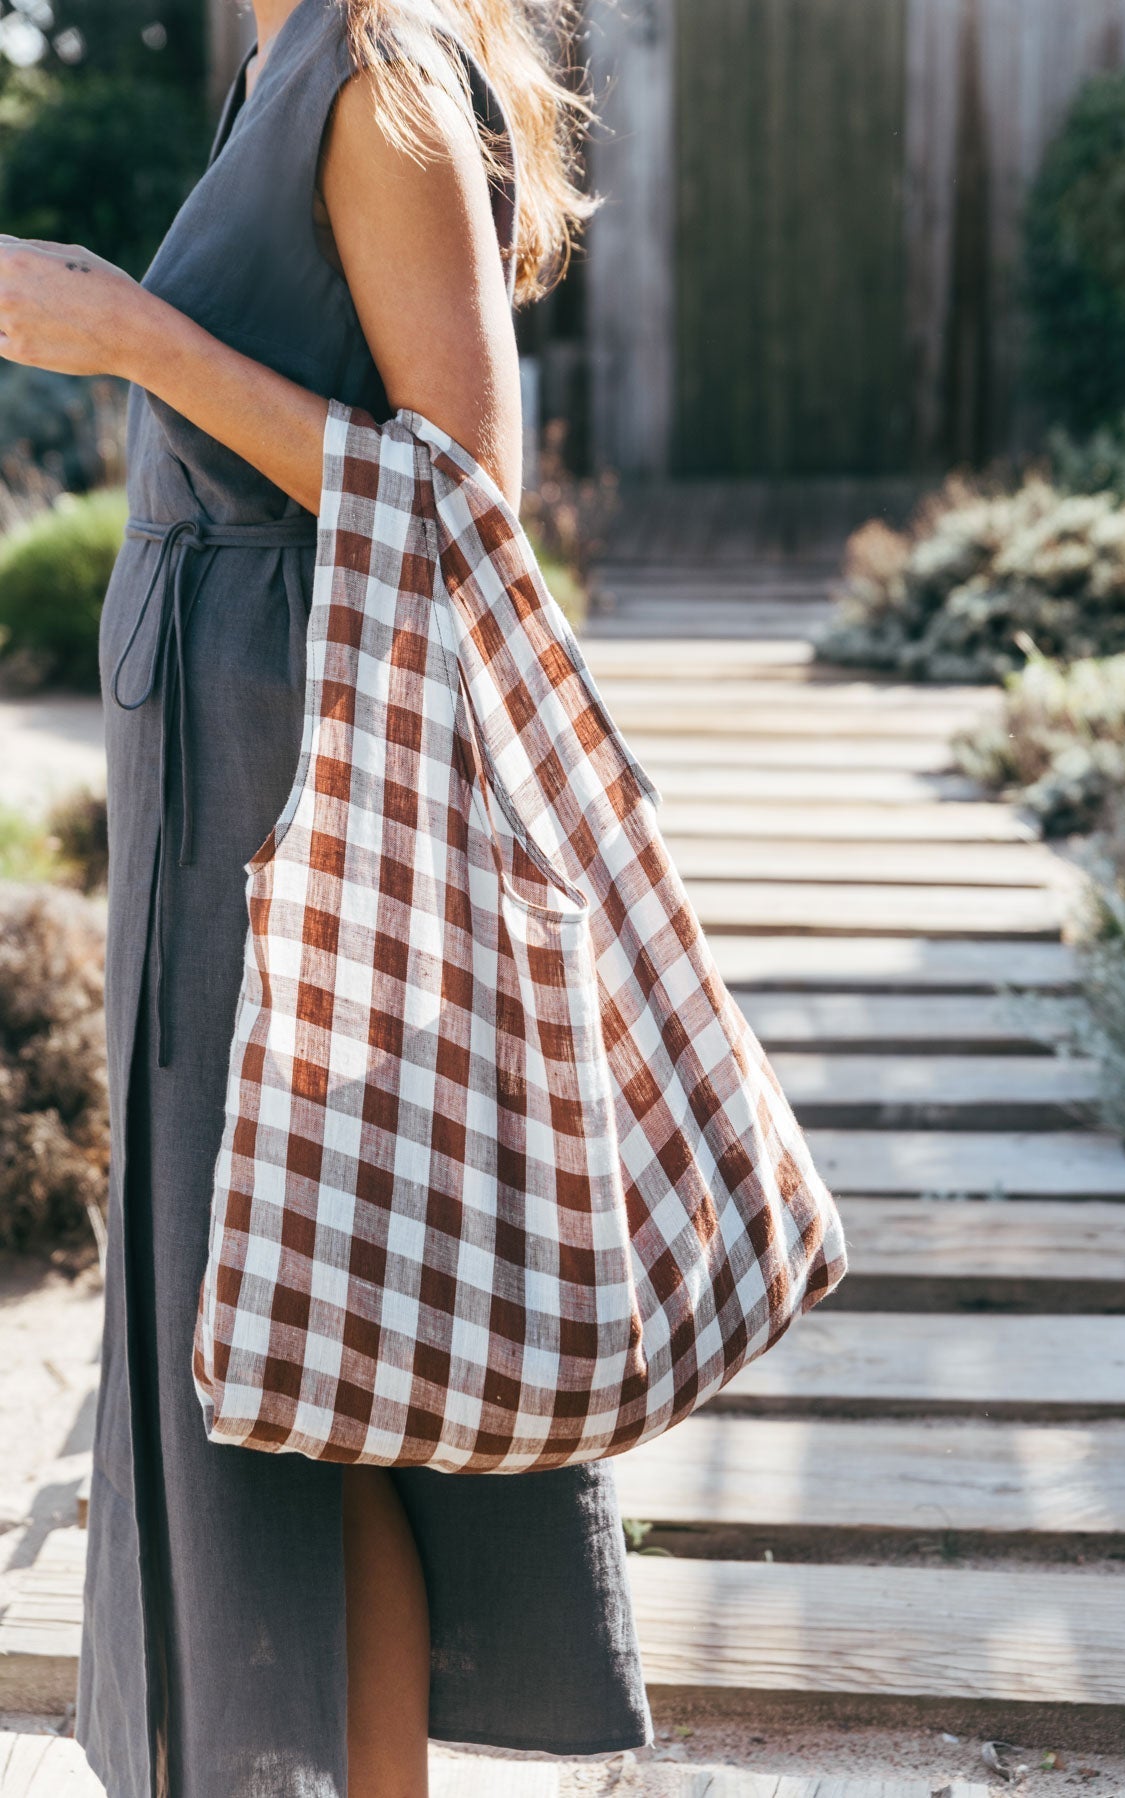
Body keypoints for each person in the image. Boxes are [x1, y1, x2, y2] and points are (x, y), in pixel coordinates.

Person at [0, 0, 652, 1791]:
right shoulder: (280, 59)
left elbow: (472, 499)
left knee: (306, 1368)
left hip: (301, 815)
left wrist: (130, 334)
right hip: (221, 779)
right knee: (289, 1366)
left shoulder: (377, 77)